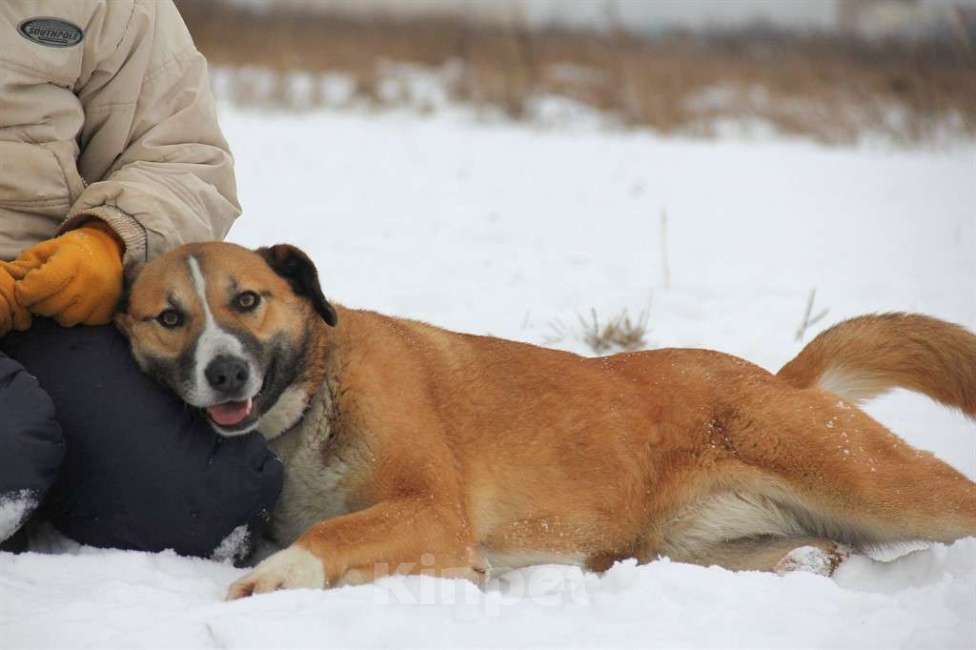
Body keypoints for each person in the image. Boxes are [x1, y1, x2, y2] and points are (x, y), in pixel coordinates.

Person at [0, 0, 282, 561]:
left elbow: (183, 155)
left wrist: (107, 240)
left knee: (207, 501)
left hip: (42, 300)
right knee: (11, 450)